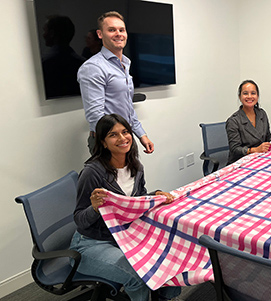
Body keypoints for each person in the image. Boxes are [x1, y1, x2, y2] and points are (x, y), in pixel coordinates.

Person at [70, 114, 181, 301]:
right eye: (113, 135)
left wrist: (154, 195)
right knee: (137, 276)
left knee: (169, 258)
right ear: (103, 142)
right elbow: (79, 219)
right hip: (91, 242)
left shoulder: (135, 167)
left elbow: (135, 201)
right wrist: (94, 208)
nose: (122, 138)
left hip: (123, 237)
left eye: (125, 132)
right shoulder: (92, 173)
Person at [77, 11, 154, 155]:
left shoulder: (125, 63)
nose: (118, 34)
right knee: (113, 179)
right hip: (107, 142)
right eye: (112, 30)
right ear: (100, 34)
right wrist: (118, 140)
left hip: (125, 138)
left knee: (134, 178)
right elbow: (95, 116)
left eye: (121, 30)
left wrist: (141, 135)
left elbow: (127, 108)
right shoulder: (93, 68)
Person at [226, 79, 271, 164]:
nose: (249, 96)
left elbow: (268, 136)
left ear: (257, 96)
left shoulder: (262, 113)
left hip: (260, 159)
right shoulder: (233, 121)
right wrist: (254, 150)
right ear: (240, 97)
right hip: (241, 162)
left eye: (253, 93)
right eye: (245, 93)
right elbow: (235, 149)